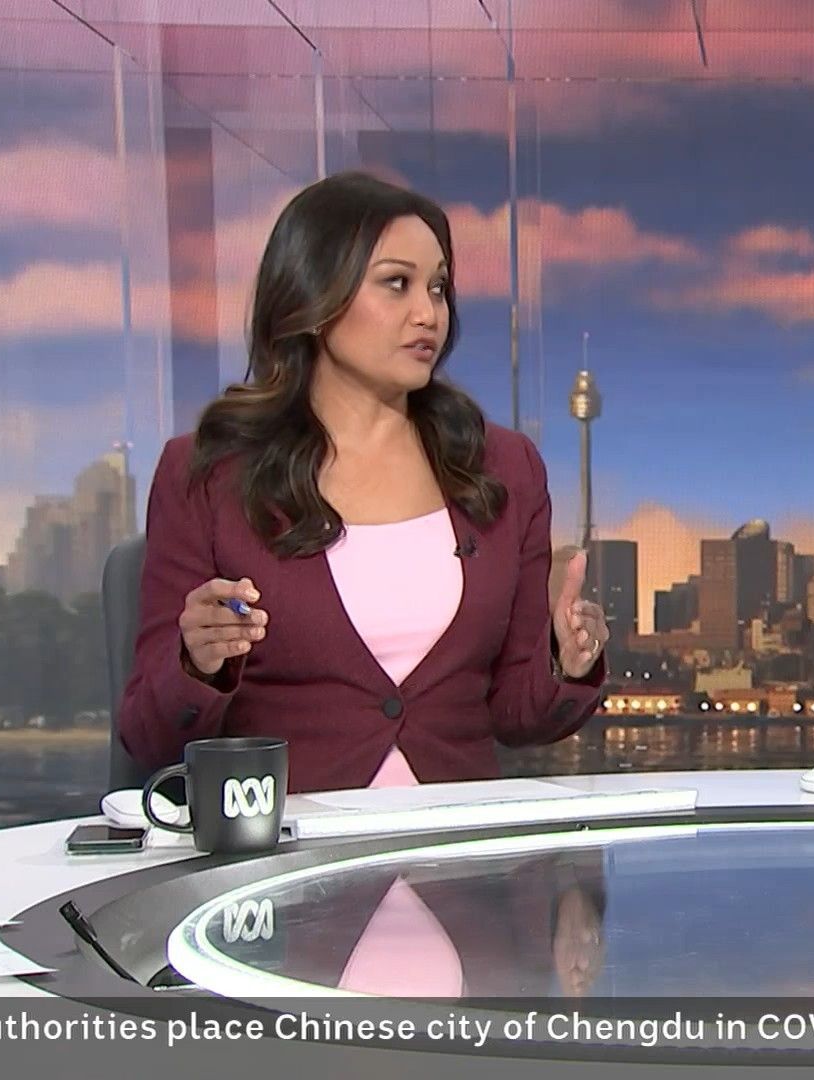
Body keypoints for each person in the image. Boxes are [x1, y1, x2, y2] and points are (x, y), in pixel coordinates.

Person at [118, 170, 609, 793]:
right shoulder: (208, 474)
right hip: (288, 844)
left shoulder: (505, 468)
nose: (428, 314)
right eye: (396, 284)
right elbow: (148, 737)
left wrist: (566, 661)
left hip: (457, 844)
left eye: (438, 288)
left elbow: (517, 716)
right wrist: (198, 663)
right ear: (314, 295)